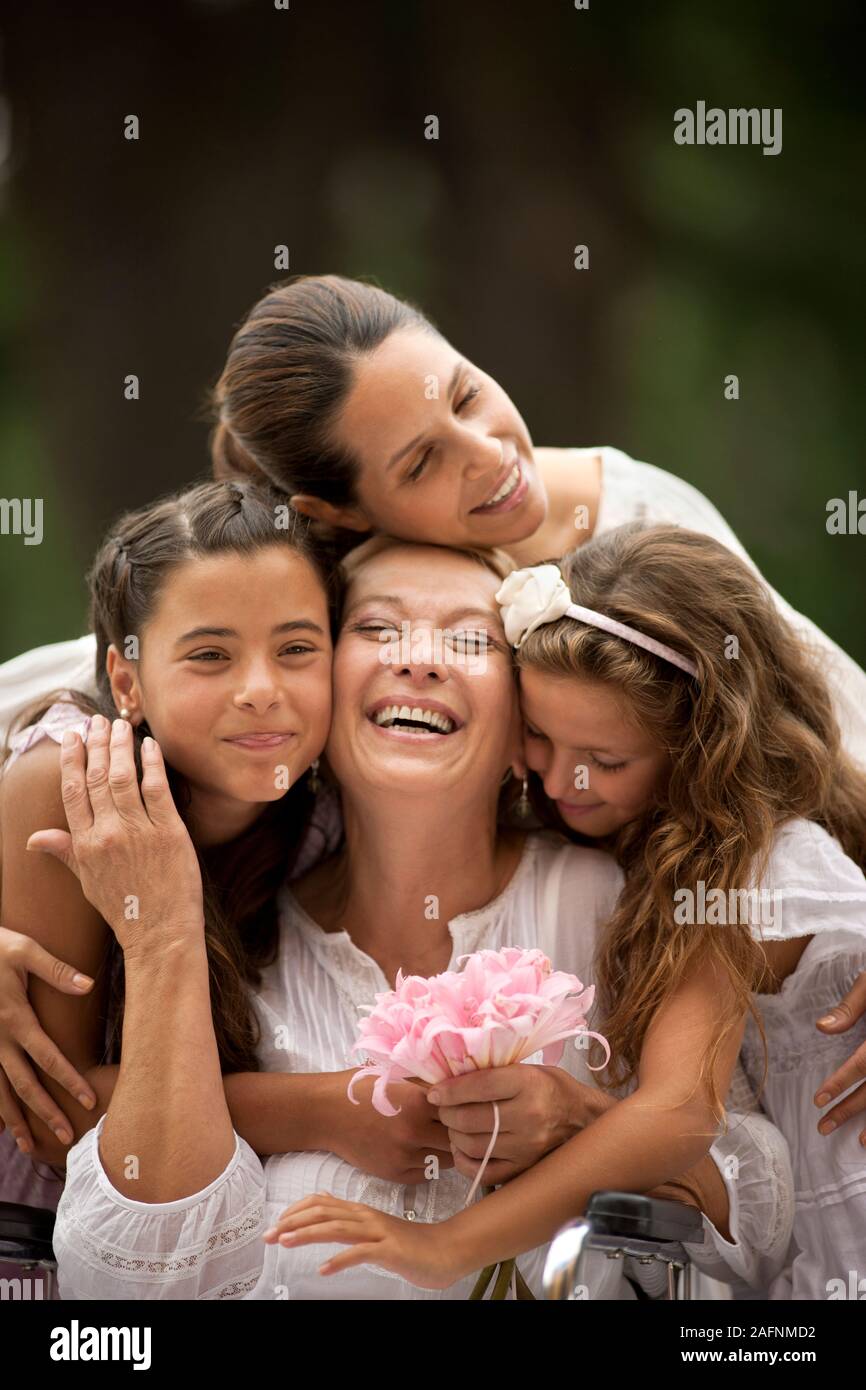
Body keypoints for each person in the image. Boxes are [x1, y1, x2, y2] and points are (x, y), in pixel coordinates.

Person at [46, 538, 791, 1300]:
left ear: (525, 726)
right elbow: (123, 1286)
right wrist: (316, 1110)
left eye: (471, 640)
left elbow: (759, 1235)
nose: (421, 660)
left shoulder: (629, 907)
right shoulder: (236, 947)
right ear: (316, 689)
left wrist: (581, 1118)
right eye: (374, 628)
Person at [268, 524, 866, 1299]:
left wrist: (449, 1244)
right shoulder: (647, 841)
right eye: (540, 736)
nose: (562, 781)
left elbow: (679, 1112)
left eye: (605, 761)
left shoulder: (744, 867)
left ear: (700, 748)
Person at [1, 274, 864, 768]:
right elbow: (103, 674)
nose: (487, 454)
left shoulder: (644, 512)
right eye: (421, 463)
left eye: (467, 394)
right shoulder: (332, 580)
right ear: (335, 511)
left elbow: (830, 711)